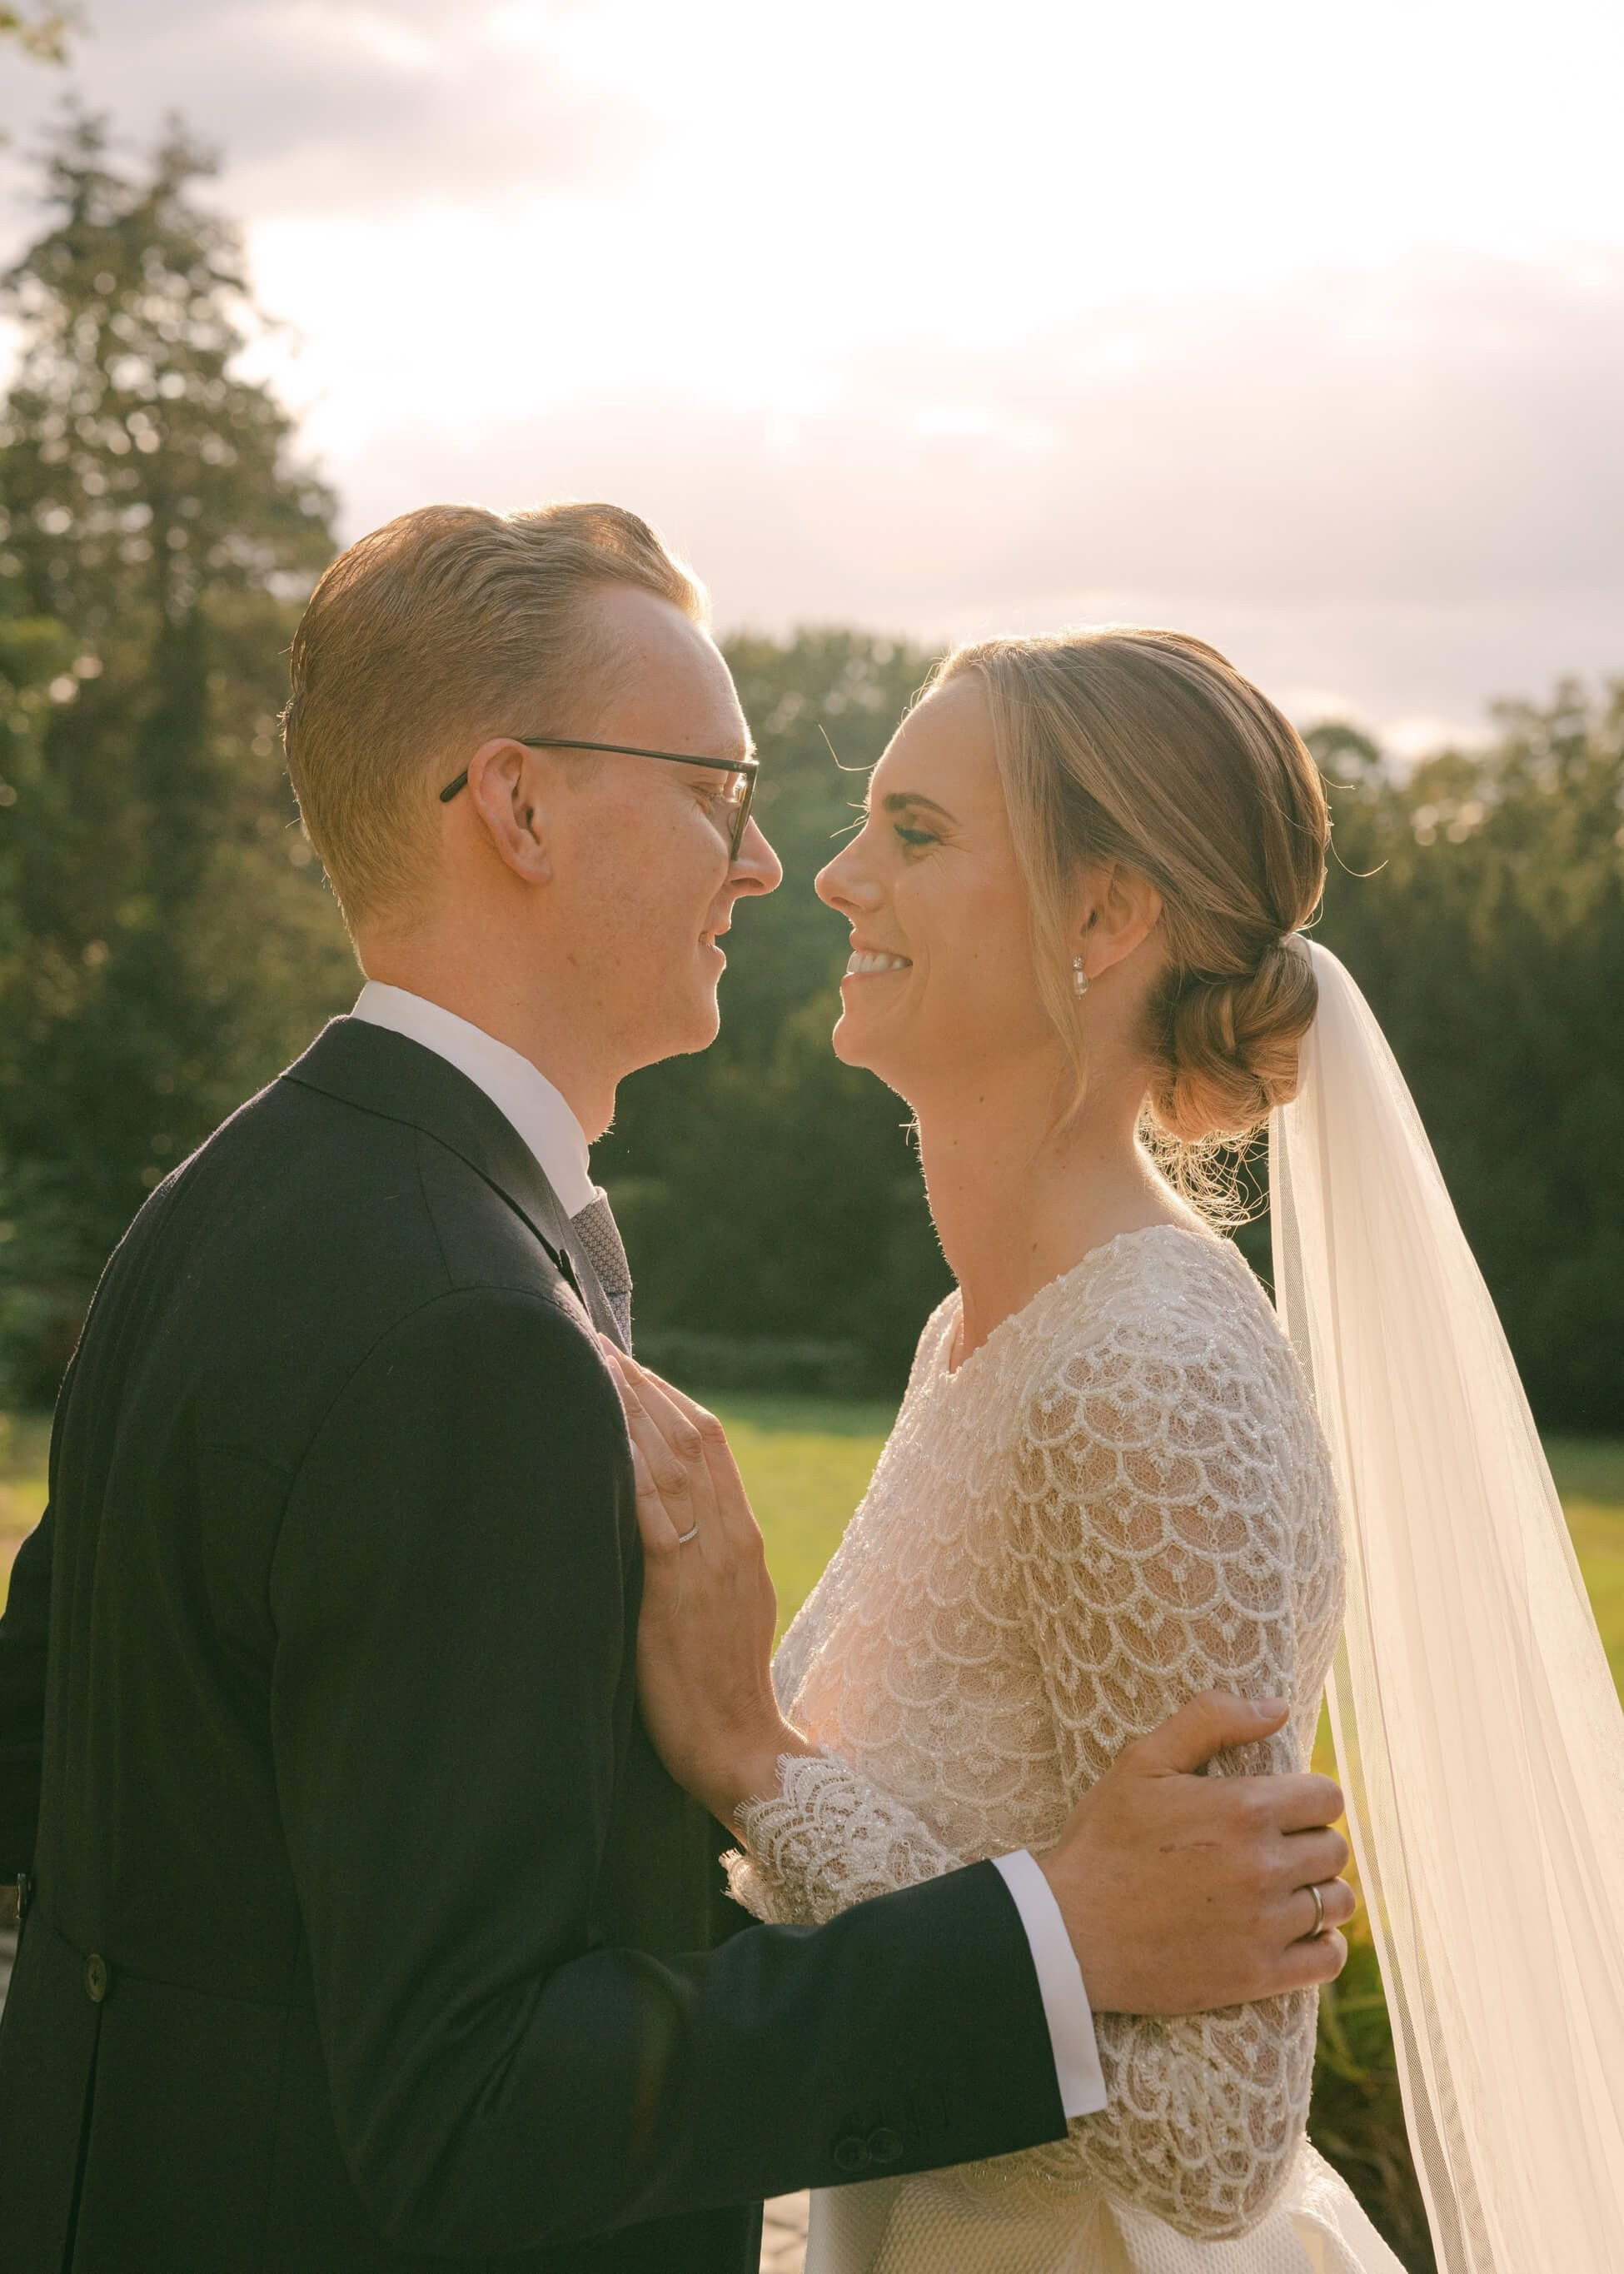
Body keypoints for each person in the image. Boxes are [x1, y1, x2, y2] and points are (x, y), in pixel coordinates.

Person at [0, 508, 1354, 2274]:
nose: (785, 865)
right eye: (719, 787)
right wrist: (1046, 1933)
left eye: (903, 827)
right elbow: (471, 2088)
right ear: (523, 807)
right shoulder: (453, 1316)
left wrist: (765, 1774)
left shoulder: (236, 1207)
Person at [605, 625, 1624, 2272]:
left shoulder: (1154, 1383)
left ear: (1105, 916)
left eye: (916, 833)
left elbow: (1213, 2147)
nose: (839, 879)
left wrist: (751, 1750)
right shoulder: (981, 1335)